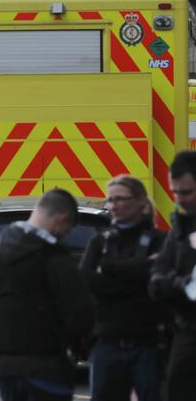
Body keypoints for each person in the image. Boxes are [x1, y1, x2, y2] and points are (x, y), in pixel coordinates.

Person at [0, 189, 93, 401]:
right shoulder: (54, 257)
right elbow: (79, 314)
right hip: (46, 364)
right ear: (62, 218)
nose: (64, 235)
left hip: (5, 366)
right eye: (67, 230)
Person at [80, 175, 166, 401]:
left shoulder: (161, 240)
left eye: (120, 199)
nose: (113, 205)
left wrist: (109, 270)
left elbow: (158, 283)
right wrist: (142, 270)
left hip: (148, 344)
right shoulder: (100, 242)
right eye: (111, 200)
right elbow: (87, 280)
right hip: (107, 343)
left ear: (140, 201)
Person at [150, 151, 196, 401]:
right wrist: (180, 284)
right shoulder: (179, 227)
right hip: (186, 331)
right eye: (175, 192)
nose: (179, 199)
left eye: (186, 192)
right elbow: (157, 276)